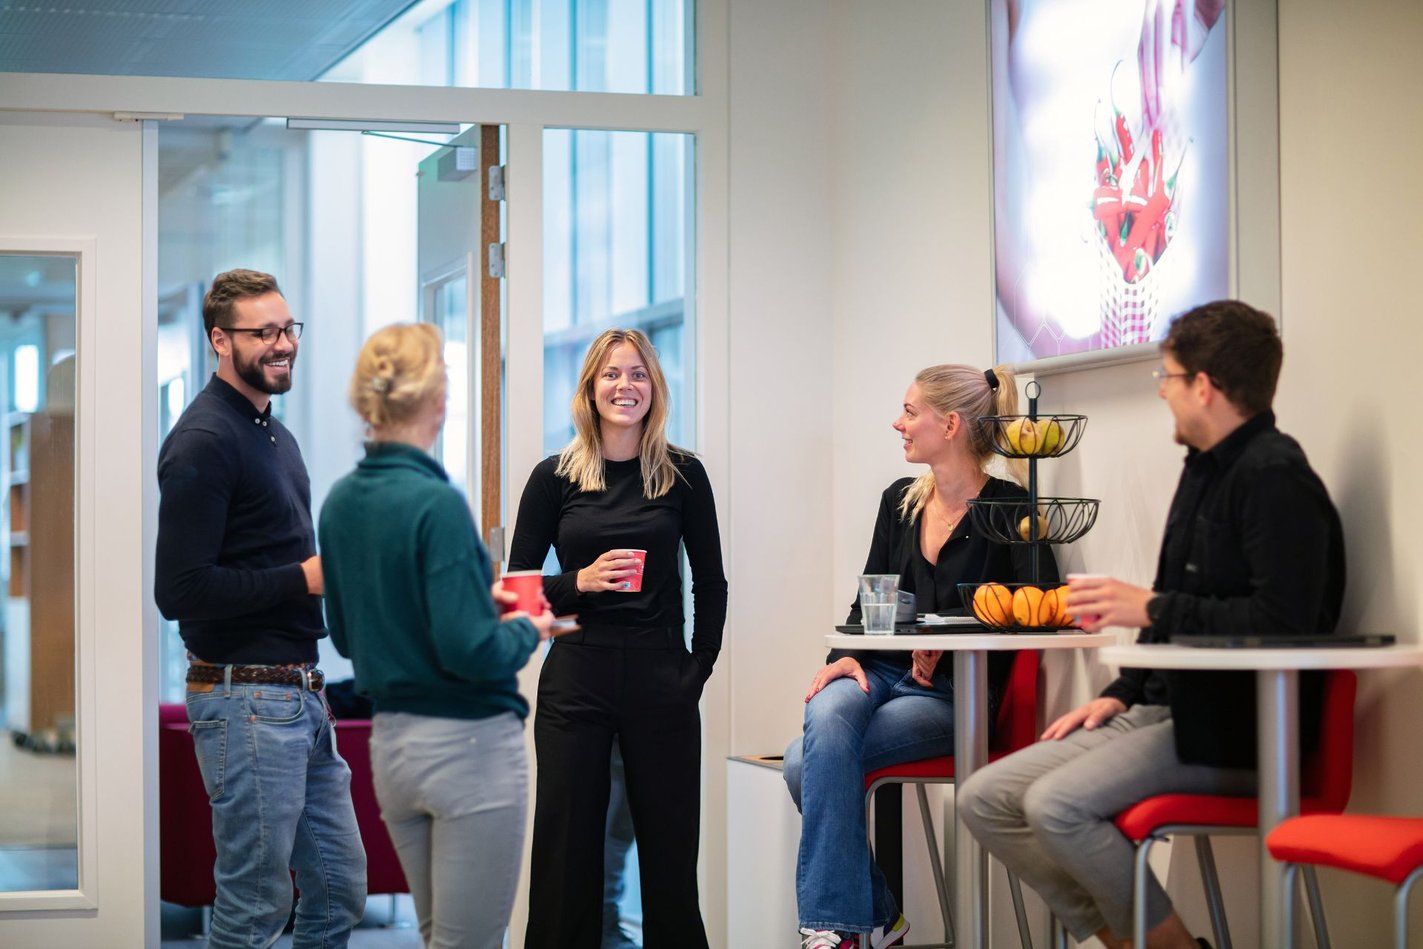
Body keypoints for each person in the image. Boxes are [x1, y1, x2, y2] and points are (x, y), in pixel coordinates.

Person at [958, 300, 1346, 949]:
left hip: (1234, 730)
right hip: (1165, 709)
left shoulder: (1275, 478)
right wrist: (1120, 690)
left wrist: (1152, 609)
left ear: (1203, 385)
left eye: (1166, 376)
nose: (1161, 391)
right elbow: (1173, 601)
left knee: (1055, 804)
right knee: (984, 797)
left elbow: (1282, 621)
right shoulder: (1202, 469)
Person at [784, 363, 1058, 949]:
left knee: (803, 764)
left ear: (951, 424)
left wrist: (955, 635)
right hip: (880, 669)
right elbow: (867, 599)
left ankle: (841, 928)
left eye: (910, 412)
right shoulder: (899, 502)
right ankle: (870, 918)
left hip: (952, 695)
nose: (898, 423)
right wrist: (844, 655)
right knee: (826, 716)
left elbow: (1042, 607)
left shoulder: (1010, 507)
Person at [318, 323, 554, 948]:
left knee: (438, 939)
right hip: (468, 751)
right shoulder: (436, 503)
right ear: (439, 400)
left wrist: (477, 604)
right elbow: (471, 650)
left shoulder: (340, 502)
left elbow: (347, 634)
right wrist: (528, 629)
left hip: (392, 750)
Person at [155, 268, 367, 947]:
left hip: (300, 693)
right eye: (263, 332)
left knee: (339, 887)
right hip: (244, 697)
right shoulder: (204, 439)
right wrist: (300, 578)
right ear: (221, 339)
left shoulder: (271, 432)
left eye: (287, 328)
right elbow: (179, 591)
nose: (283, 344)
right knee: (254, 906)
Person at [509, 328, 727, 949]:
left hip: (663, 678)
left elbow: (711, 584)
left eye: (637, 374)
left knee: (669, 857)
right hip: (577, 676)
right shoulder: (554, 477)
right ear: (589, 388)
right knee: (566, 854)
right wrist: (578, 581)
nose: (624, 386)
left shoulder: (684, 475)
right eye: (611, 374)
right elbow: (516, 598)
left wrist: (697, 670)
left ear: (654, 387)